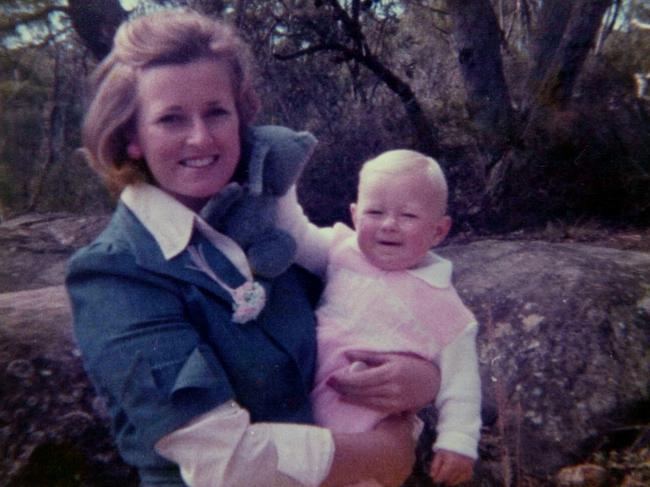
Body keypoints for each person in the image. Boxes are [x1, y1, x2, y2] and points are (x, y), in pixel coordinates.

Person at [65, 8, 441, 487]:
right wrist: (380, 454)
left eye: (217, 111)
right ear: (132, 137)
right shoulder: (114, 273)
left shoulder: (270, 226)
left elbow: (382, 302)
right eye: (171, 119)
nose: (201, 137)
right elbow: (222, 460)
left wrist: (422, 378)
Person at [308, 150, 481, 486]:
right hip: (303, 415)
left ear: (439, 231)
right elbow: (294, 231)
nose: (389, 224)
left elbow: (461, 383)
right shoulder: (339, 251)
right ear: (355, 216)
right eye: (375, 212)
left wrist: (458, 442)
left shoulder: (444, 306)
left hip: (369, 436)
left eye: (408, 216)